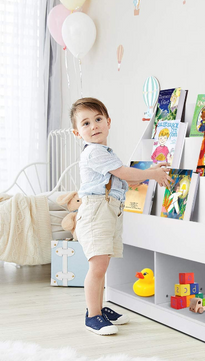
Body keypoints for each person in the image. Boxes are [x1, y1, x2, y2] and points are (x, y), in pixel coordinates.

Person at [70, 97, 172, 335]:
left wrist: (150, 173)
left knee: (103, 265)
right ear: (77, 133)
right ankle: (92, 315)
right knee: (97, 266)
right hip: (96, 210)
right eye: (86, 123)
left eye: (97, 119)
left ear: (108, 122)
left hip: (109, 210)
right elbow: (123, 173)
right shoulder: (94, 153)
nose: (93, 126)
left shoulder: (105, 151)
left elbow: (125, 177)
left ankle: (98, 307)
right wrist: (151, 173)